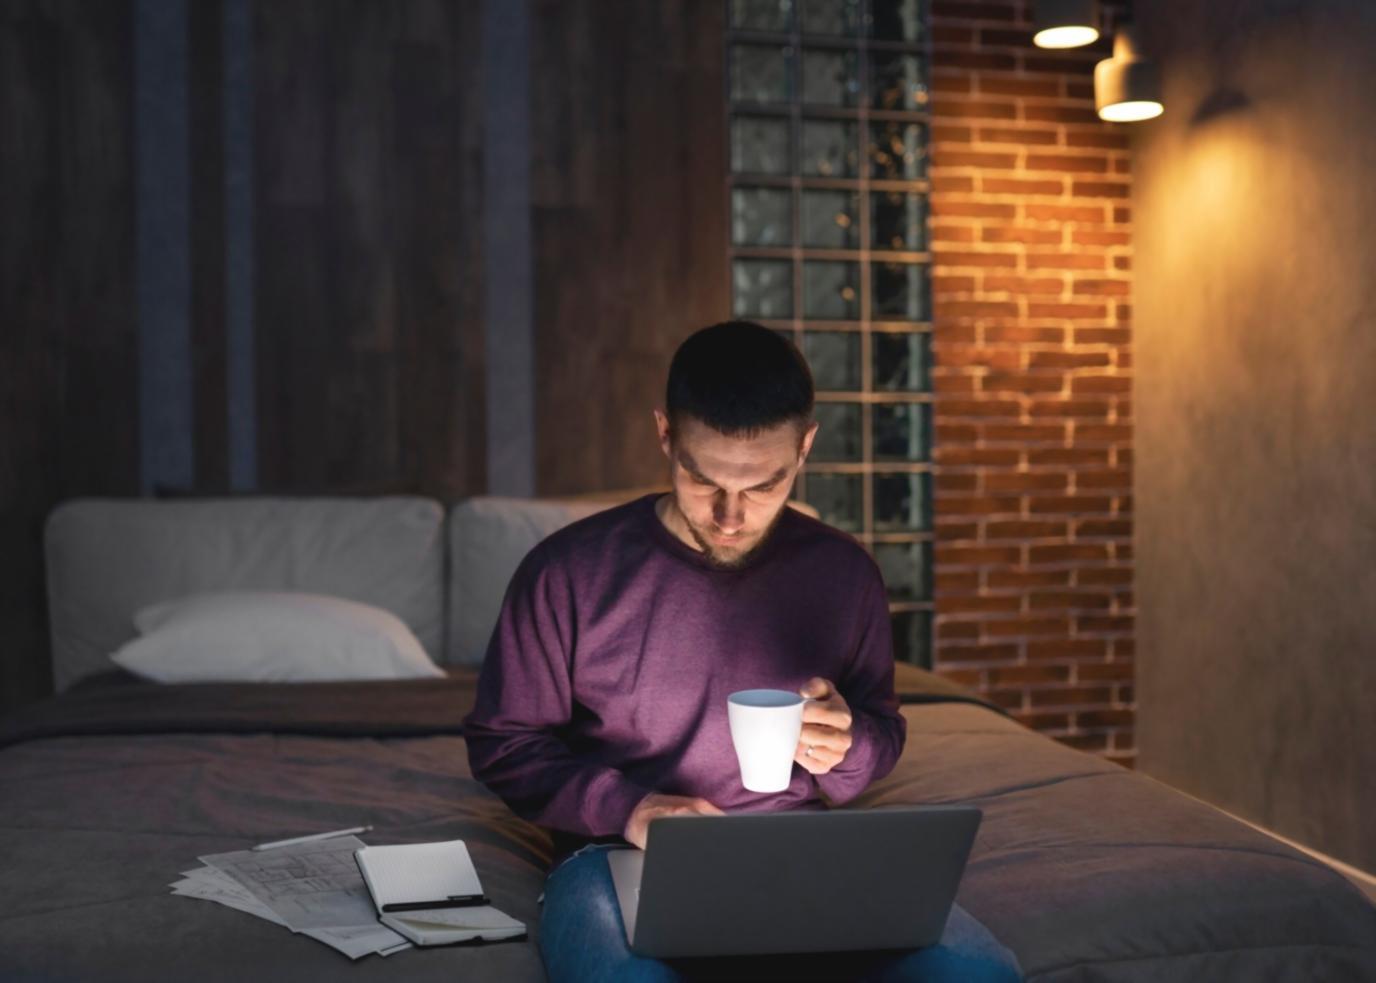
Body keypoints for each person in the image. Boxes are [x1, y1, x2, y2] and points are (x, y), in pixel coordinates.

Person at [463, 321, 1021, 981]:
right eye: (704, 482)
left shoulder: (844, 574)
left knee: (976, 973)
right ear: (665, 433)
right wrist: (632, 808)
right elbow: (505, 744)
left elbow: (880, 729)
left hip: (801, 848)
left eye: (762, 486)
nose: (731, 515)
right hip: (615, 856)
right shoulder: (567, 572)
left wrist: (846, 747)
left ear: (805, 446)